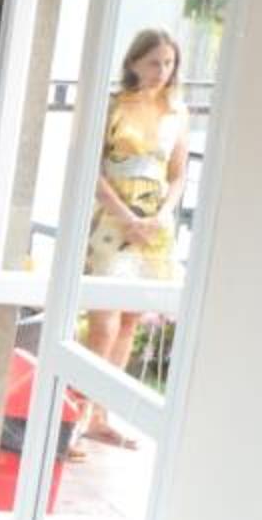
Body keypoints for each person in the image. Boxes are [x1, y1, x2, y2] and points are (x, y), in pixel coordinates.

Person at [74, 27, 189, 454]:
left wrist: (161, 215)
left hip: (154, 226)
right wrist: (126, 217)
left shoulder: (176, 112)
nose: (162, 70)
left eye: (169, 62)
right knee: (103, 322)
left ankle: (101, 415)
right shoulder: (113, 107)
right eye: (154, 62)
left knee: (129, 321)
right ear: (134, 63)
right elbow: (92, 169)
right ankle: (75, 415)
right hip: (112, 220)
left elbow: (178, 174)